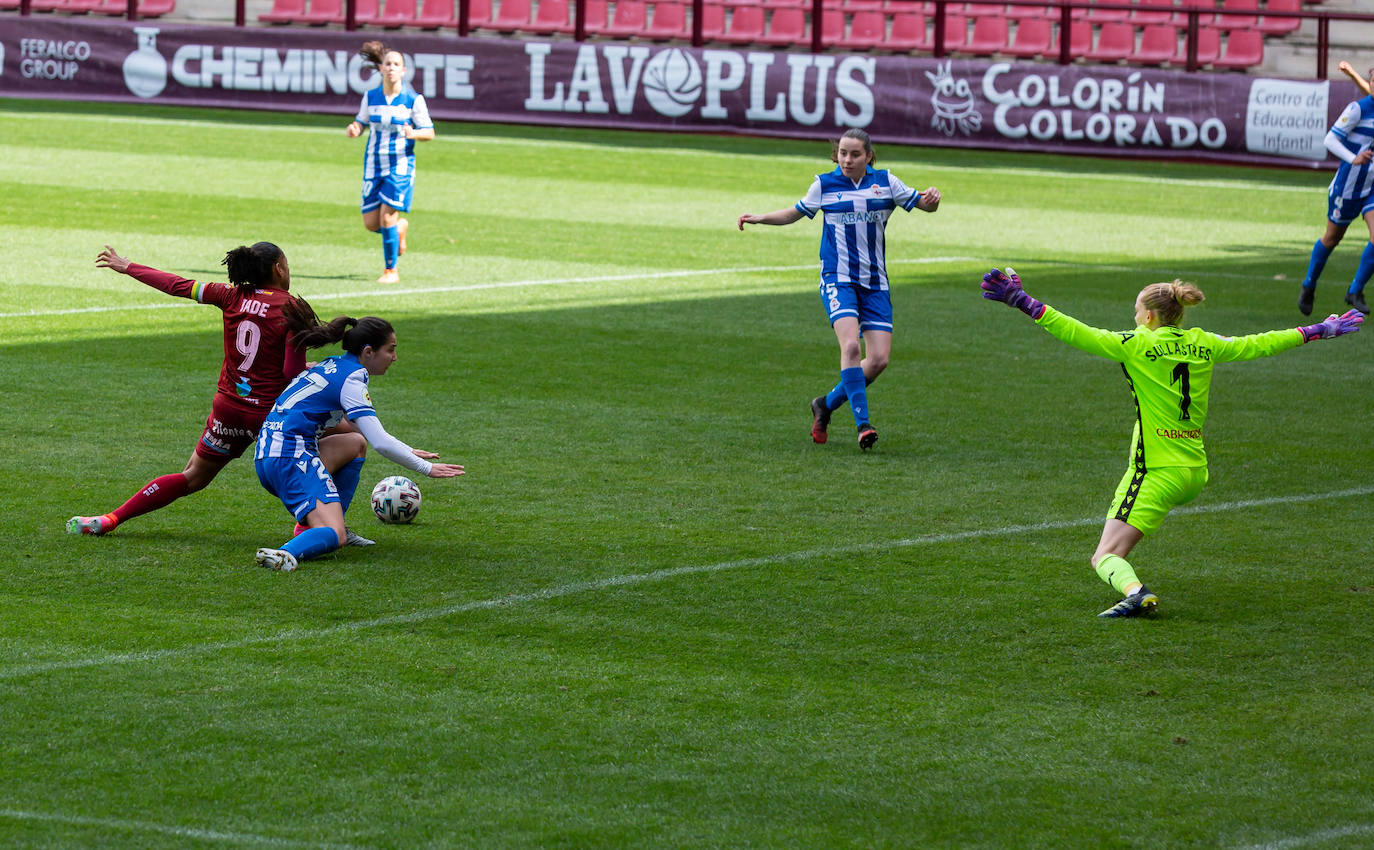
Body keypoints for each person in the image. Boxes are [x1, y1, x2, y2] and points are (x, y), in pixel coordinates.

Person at [980, 267, 1362, 618]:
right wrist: (1317, 330)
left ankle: (1135, 593)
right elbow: (1259, 343)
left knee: (1104, 556)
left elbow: (1076, 331)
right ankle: (1132, 590)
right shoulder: (1205, 343)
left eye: (1136, 311)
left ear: (1149, 316)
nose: (1133, 318)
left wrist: (1022, 302)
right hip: (1193, 470)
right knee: (1117, 546)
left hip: (1156, 472)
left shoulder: (1136, 344)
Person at [64, 243, 377, 540]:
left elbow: (176, 284)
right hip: (270, 414)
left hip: (229, 408)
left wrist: (127, 266)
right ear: (279, 269)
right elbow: (290, 374)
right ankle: (315, 524)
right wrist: (309, 369)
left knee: (192, 478)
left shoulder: (230, 295)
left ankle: (110, 519)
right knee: (355, 439)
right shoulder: (290, 308)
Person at [737, 128, 941, 450]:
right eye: (842, 153)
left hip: (874, 282)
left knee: (879, 360)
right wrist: (760, 217)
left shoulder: (887, 182)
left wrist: (932, 200)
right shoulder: (824, 184)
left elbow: (924, 205)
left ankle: (825, 405)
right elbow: (796, 211)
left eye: (854, 154)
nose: (847, 160)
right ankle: (863, 425)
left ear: (869, 156)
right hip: (837, 278)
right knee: (851, 349)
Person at [253, 315, 464, 572]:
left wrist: (408, 450)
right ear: (368, 352)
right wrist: (426, 469)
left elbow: (355, 429)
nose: (394, 357)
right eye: (391, 349)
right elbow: (381, 443)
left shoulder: (333, 365)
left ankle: (314, 527)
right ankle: (286, 553)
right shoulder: (352, 379)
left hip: (269, 455)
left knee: (355, 444)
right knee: (335, 535)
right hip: (290, 459)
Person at [345, 40, 434, 286]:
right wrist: (354, 129)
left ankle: (390, 270)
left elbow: (429, 132)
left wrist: (413, 133)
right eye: (388, 64)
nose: (392, 68)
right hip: (373, 165)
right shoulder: (370, 96)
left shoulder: (413, 100)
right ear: (381, 69)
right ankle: (399, 229)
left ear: (403, 70)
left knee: (386, 218)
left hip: (400, 166)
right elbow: (360, 122)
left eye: (397, 64)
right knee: (371, 223)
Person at [1298, 62, 1374, 317]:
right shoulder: (1357, 110)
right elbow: (1330, 139)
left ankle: (1355, 290)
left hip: (1371, 187)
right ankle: (1309, 284)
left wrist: (1353, 74)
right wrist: (1354, 158)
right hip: (1348, 187)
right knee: (1332, 239)